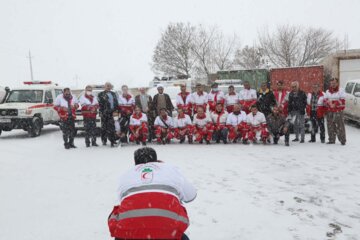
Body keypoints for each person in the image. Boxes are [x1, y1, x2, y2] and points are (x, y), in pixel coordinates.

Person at [108, 147, 196, 240]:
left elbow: (123, 201)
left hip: (129, 232)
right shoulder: (170, 169)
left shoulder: (126, 174)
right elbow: (191, 196)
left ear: (135, 162)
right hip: (169, 230)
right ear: (156, 159)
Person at [323, 77, 346, 145]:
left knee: (340, 126)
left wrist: (334, 104)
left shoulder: (341, 90)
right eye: (331, 83)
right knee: (330, 126)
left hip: (338, 111)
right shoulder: (327, 91)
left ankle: (342, 140)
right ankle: (331, 139)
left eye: (334, 83)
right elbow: (325, 100)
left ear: (337, 83)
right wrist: (329, 103)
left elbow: (342, 101)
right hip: (330, 111)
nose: (333, 84)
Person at [98, 82, 119, 147]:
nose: (108, 87)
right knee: (104, 127)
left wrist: (117, 110)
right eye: (107, 86)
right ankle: (104, 140)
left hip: (114, 112)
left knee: (113, 126)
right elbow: (99, 104)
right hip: (105, 112)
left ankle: (113, 140)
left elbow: (116, 102)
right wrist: (101, 112)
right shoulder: (101, 94)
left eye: (109, 86)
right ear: (104, 86)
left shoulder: (113, 93)